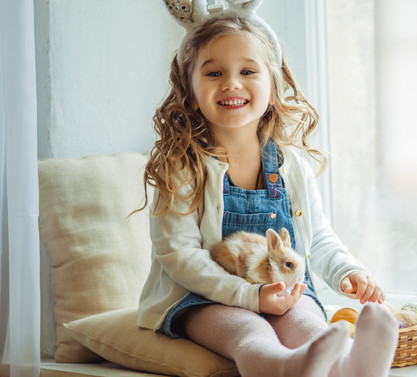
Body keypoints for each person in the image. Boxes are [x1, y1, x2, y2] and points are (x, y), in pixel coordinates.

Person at [135, 3, 398, 377]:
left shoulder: (291, 165)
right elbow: (178, 255)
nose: (231, 83)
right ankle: (281, 367)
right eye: (213, 73)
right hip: (203, 297)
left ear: (272, 86)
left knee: (306, 320)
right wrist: (249, 297)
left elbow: (318, 237)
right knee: (248, 329)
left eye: (247, 71)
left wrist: (346, 271)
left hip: (285, 288)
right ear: (190, 91)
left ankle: (351, 367)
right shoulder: (182, 167)